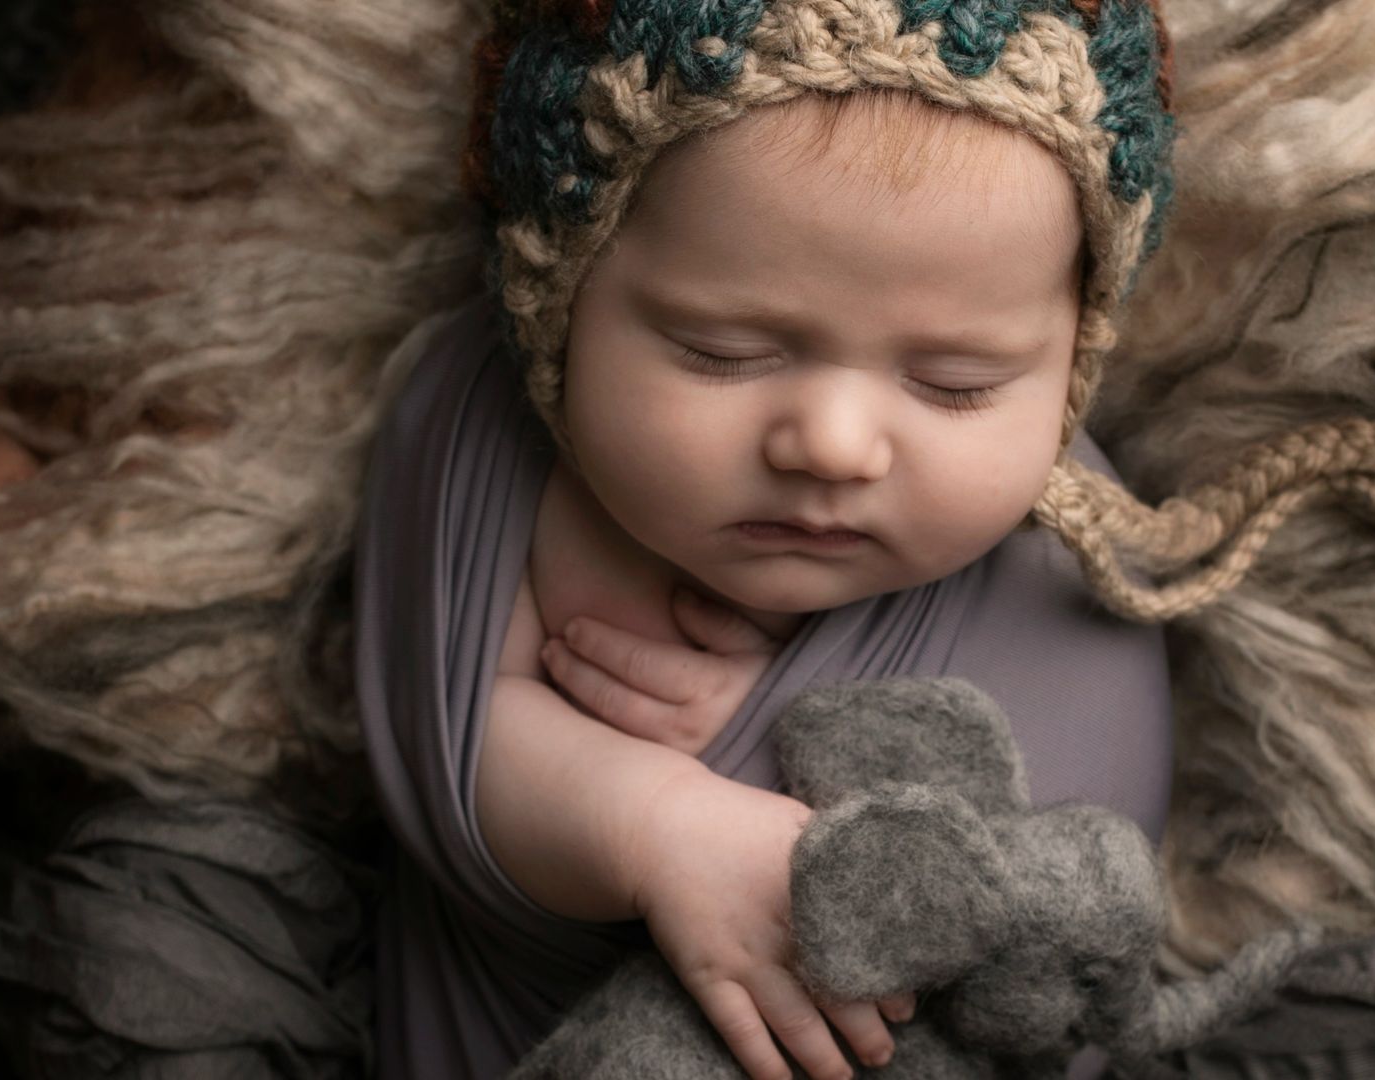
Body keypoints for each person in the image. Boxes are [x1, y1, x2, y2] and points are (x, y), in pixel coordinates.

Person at [352, 0, 1180, 1077]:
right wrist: (657, 824)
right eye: (722, 350)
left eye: (954, 383)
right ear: (554, 296)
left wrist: (781, 730)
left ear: (1073, 356)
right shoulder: (487, 443)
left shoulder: (1059, 586)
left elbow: (1060, 918)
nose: (833, 446)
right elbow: (445, 749)